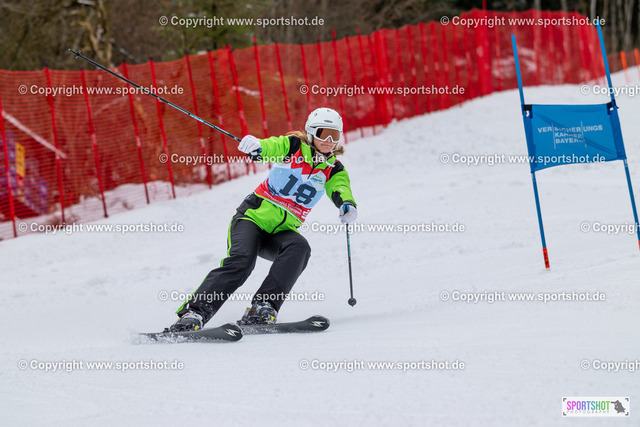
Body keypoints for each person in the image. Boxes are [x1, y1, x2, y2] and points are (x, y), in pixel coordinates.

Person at [169, 107, 357, 331]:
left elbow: (340, 187)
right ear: (310, 132)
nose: (328, 141)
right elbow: (272, 147)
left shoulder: (333, 169)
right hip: (252, 219)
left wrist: (346, 204)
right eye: (323, 133)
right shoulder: (293, 147)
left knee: (299, 248)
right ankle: (194, 313)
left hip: (280, 233)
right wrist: (257, 146)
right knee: (242, 262)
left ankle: (263, 306)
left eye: (334, 135)